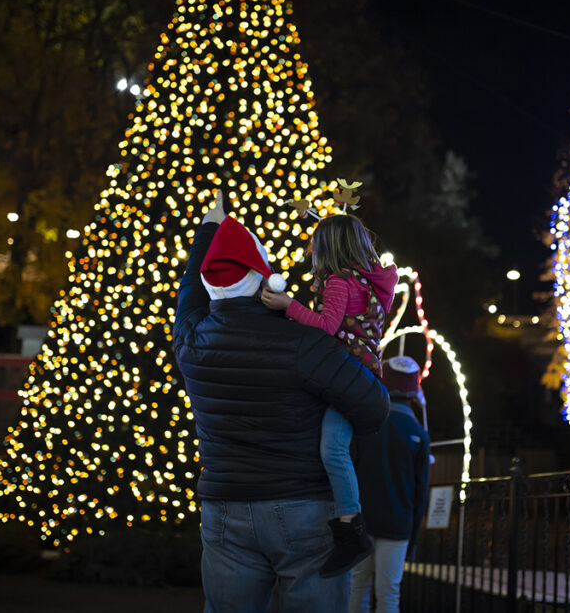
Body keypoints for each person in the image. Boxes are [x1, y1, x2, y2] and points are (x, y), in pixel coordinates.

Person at [173, 192, 390, 613]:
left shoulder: (191, 340)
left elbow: (189, 291)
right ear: (264, 280)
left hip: (224, 507)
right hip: (302, 506)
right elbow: (375, 405)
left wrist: (207, 233)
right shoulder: (304, 342)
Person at [260, 214, 398, 577]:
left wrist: (286, 305)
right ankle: (345, 520)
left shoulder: (338, 282)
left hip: (345, 378)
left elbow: (326, 327)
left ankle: (351, 529)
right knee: (332, 446)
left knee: (332, 449)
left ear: (329, 248)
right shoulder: (369, 281)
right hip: (364, 376)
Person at [348, 355, 431, 613]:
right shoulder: (419, 433)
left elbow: (350, 468)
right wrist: (414, 536)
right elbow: (421, 492)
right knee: (388, 593)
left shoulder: (365, 423)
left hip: (362, 519)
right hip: (398, 525)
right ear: (414, 390)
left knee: (356, 589)